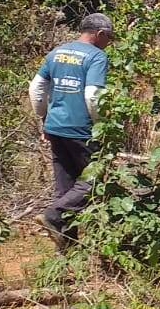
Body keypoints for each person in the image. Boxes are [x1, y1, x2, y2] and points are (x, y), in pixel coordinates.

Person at [29, 13, 114, 243]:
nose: (109, 43)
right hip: (82, 129)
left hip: (55, 127)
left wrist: (44, 118)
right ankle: (54, 215)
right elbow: (93, 95)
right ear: (100, 34)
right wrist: (100, 126)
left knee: (65, 187)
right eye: (109, 38)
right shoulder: (96, 57)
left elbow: (36, 88)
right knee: (95, 179)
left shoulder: (57, 52)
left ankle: (67, 248)